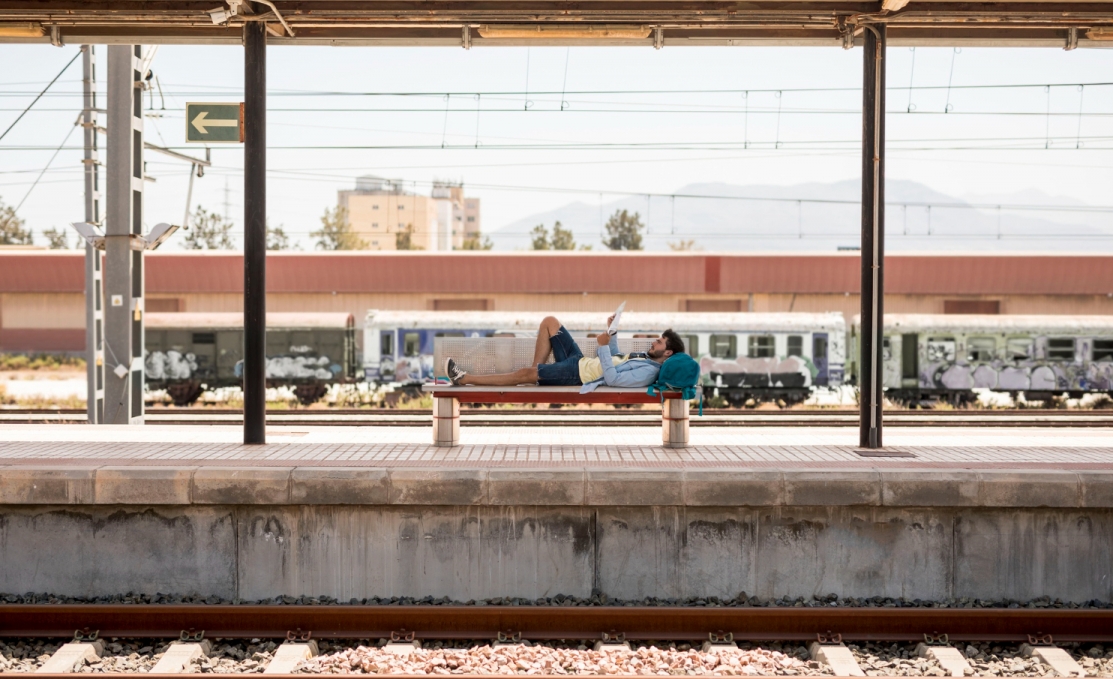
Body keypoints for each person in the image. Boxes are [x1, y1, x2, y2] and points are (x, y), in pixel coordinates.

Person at [444, 315, 685, 393]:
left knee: (527, 373)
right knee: (550, 322)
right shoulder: (644, 359)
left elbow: (612, 379)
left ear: (669, 352)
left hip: (577, 374)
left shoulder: (647, 373)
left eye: (660, 342)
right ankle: (533, 375)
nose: (654, 341)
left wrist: (600, 346)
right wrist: (612, 332)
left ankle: (463, 378)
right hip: (579, 361)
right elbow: (616, 358)